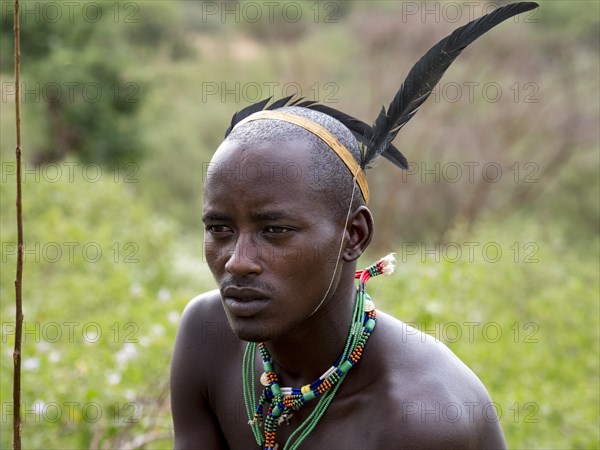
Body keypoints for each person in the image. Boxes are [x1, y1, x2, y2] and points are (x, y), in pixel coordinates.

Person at [170, 3, 538, 449]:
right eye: (220, 229)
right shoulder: (207, 337)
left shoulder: (418, 418)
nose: (238, 262)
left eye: (275, 231)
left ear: (354, 235)